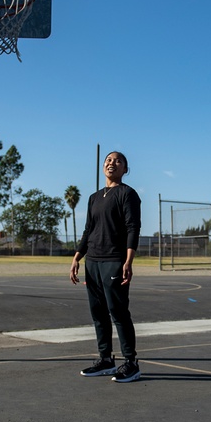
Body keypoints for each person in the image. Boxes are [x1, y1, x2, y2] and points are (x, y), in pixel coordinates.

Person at [70, 151, 142, 383]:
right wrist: (77, 257)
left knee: (118, 312)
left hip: (114, 260)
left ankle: (131, 363)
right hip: (93, 261)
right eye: (108, 160)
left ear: (125, 169)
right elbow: (88, 230)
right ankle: (106, 360)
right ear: (103, 166)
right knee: (98, 313)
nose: (112, 163)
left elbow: (133, 228)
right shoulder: (94, 197)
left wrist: (128, 261)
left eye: (118, 161)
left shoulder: (127, 194)